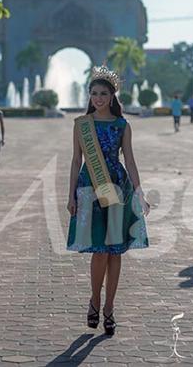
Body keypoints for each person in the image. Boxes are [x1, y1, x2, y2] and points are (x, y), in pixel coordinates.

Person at [66, 65, 151, 336]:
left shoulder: (122, 126)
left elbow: (131, 160)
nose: (98, 98)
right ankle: (94, 299)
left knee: (115, 252)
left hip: (117, 187)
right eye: (94, 93)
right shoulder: (82, 125)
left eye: (103, 93)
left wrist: (140, 192)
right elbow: (76, 160)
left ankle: (109, 309)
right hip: (89, 189)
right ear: (89, 96)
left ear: (112, 96)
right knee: (99, 250)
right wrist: (70, 195)